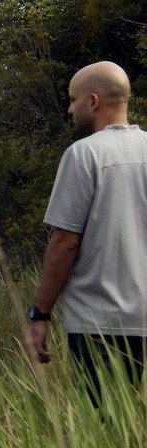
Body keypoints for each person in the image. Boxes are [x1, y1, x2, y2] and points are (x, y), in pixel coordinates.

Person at [25, 61, 147, 403]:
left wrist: (41, 312)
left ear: (93, 101)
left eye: (73, 99)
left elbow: (65, 242)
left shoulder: (83, 155)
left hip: (102, 324)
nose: (70, 108)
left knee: (107, 430)